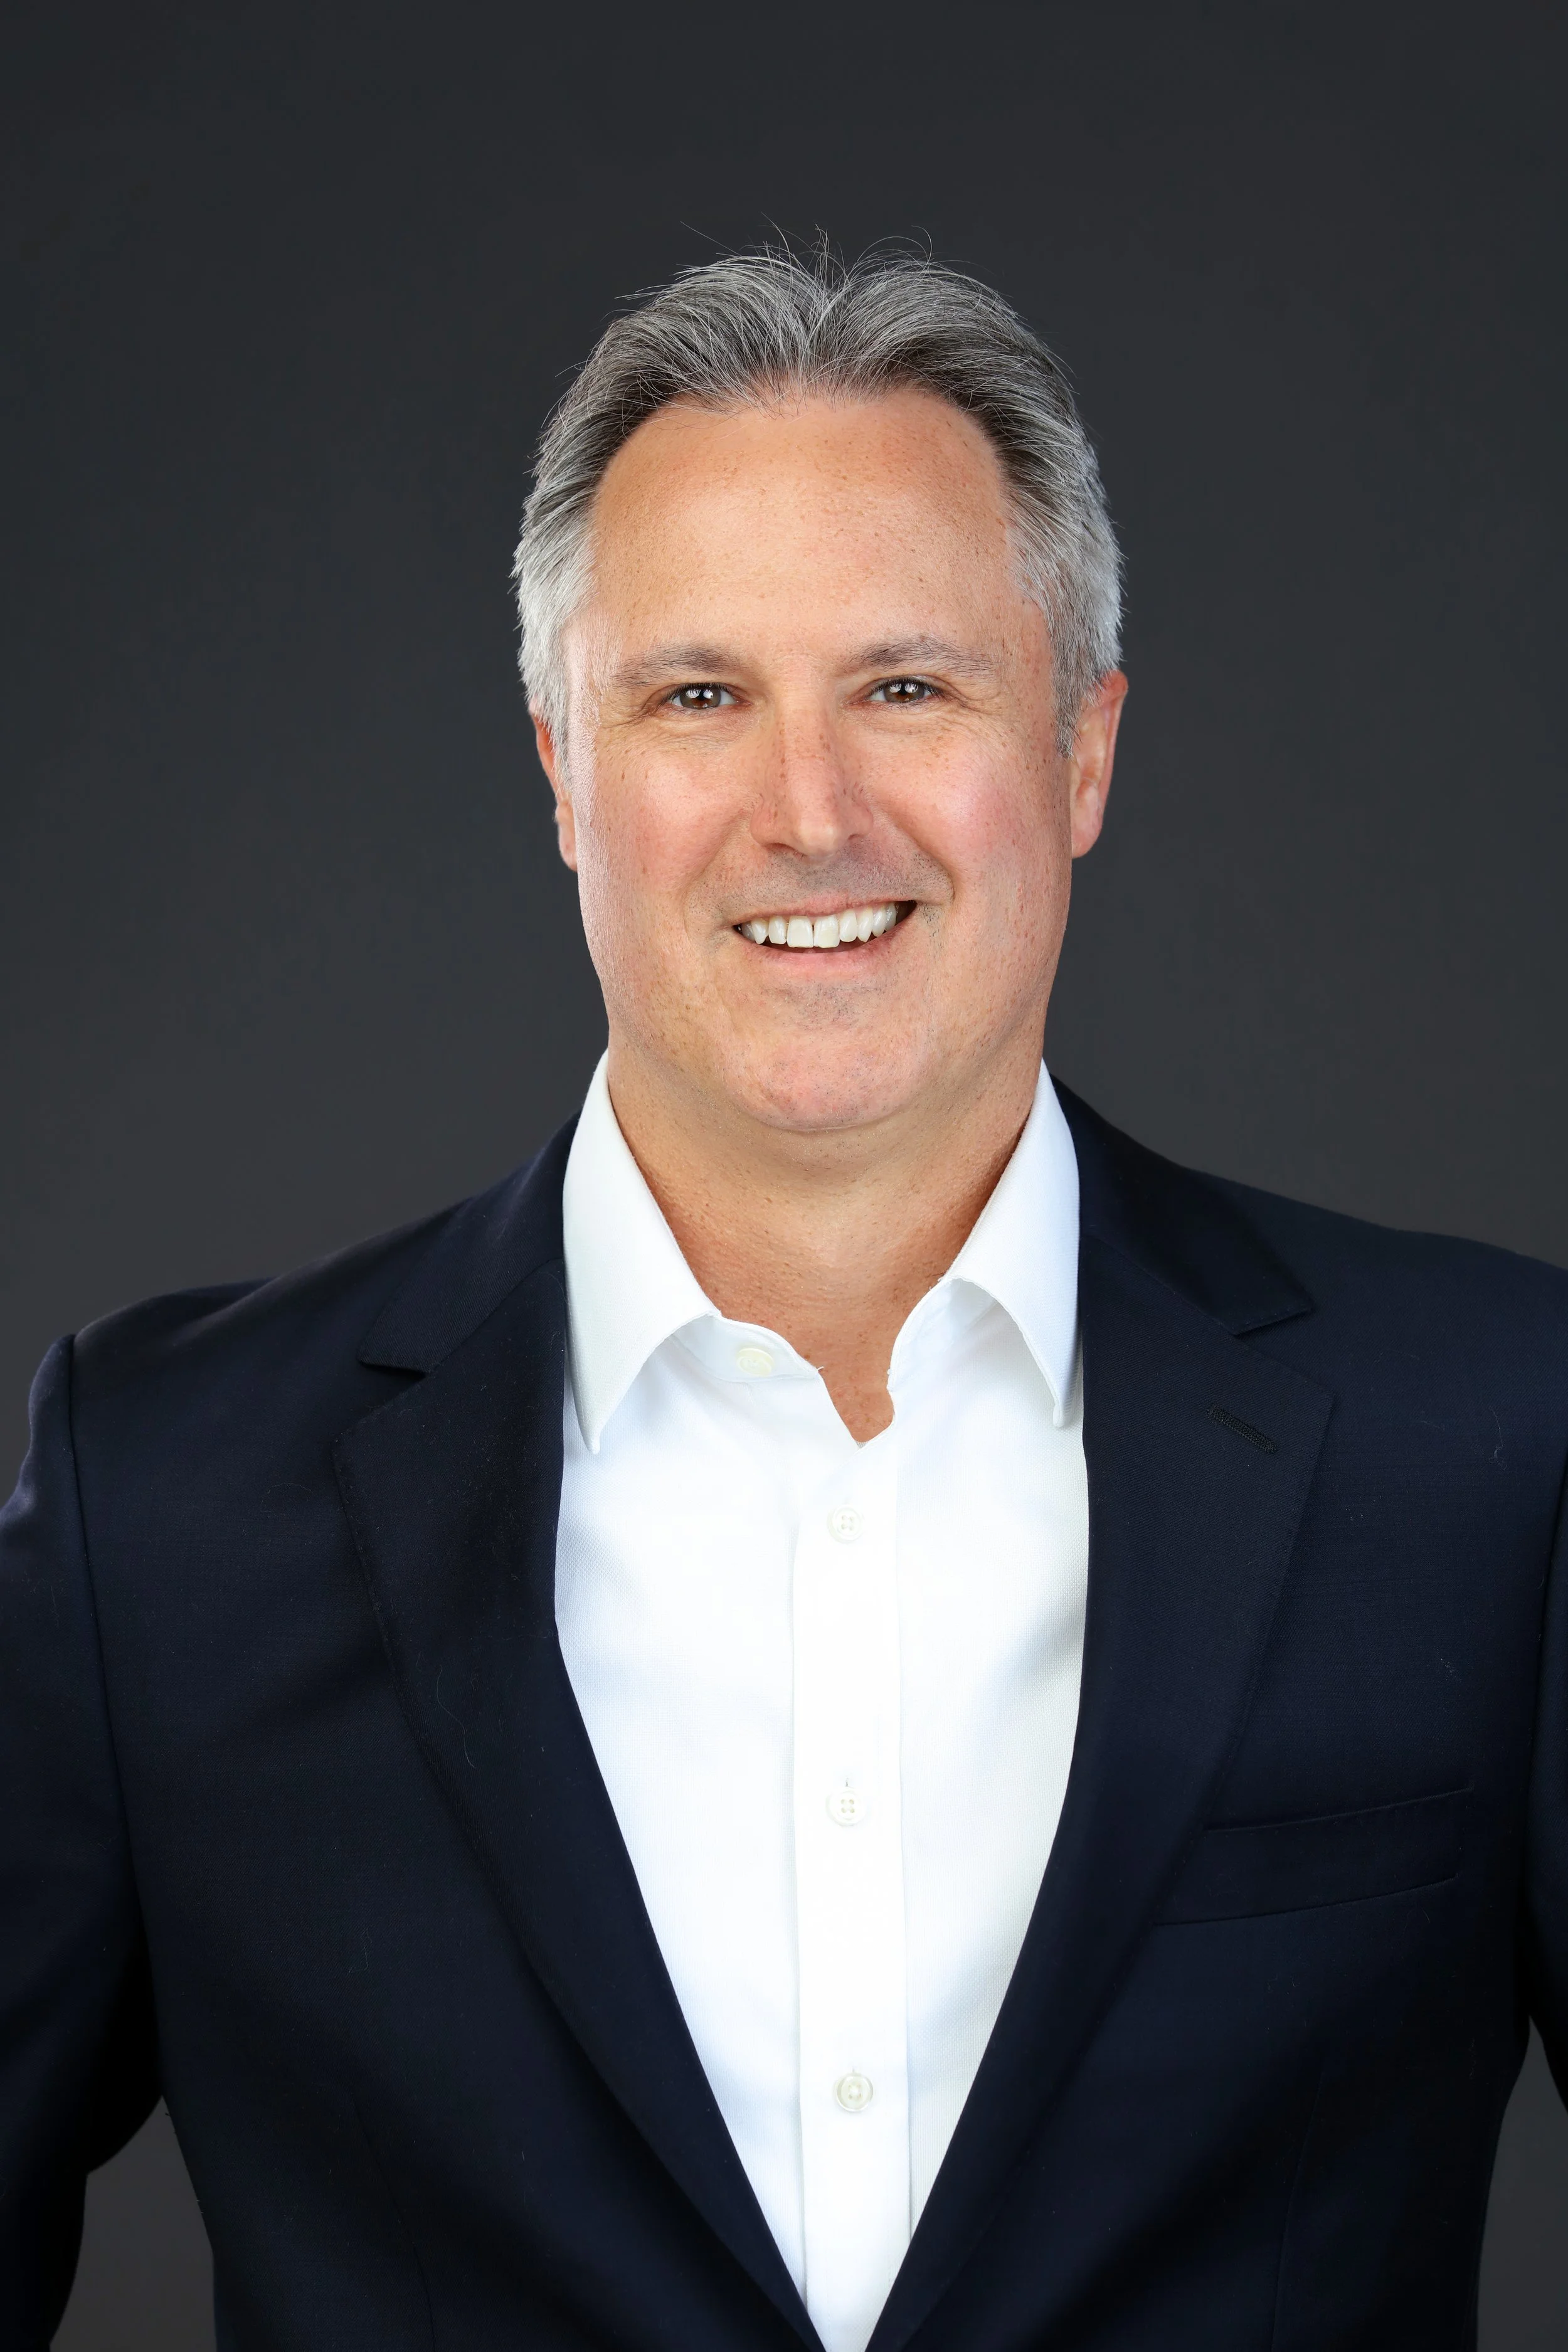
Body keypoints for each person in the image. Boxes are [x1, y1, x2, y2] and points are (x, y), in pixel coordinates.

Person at [3, 245, 1565, 2352]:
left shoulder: (1487, 1443)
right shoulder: (164, 1501)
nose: (809, 811)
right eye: (698, 694)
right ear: (564, 766)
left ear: (1084, 751)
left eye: (906, 684)